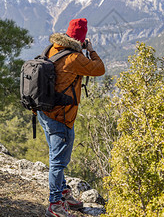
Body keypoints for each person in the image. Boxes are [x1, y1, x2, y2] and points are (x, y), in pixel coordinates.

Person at [37, 18, 105, 217]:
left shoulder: (53, 48)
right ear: (82, 39)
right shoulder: (75, 58)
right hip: (61, 117)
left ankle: (64, 192)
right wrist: (91, 50)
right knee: (58, 161)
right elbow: (99, 69)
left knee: (55, 155)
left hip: (44, 111)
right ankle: (54, 203)